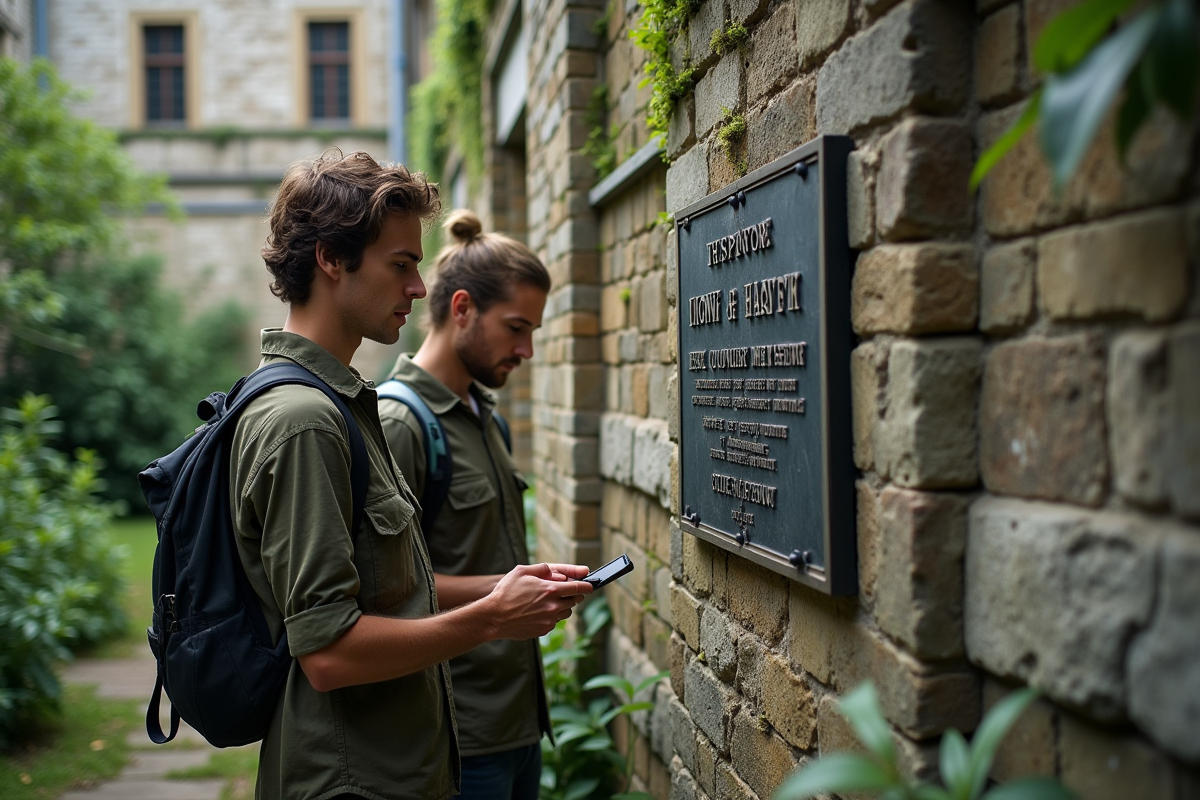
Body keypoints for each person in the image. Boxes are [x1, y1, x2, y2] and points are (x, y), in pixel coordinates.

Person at [229, 152, 592, 800]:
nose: (419, 288)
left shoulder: (342, 404)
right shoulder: (306, 421)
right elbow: (329, 655)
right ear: (331, 259)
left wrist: (506, 590)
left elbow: (396, 585)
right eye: (401, 265)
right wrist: (491, 617)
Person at [378, 209, 552, 800]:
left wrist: (529, 585)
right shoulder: (398, 424)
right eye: (516, 328)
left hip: (517, 725)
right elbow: (384, 591)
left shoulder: (486, 417)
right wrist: (507, 591)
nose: (526, 349)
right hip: (456, 735)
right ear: (461, 310)